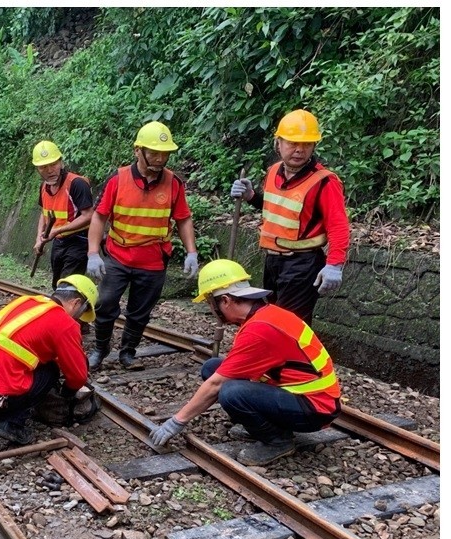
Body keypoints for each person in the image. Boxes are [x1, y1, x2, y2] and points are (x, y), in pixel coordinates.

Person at [149, 259, 342, 466]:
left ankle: (278, 441)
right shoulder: (268, 315)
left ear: (225, 301)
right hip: (302, 394)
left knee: (230, 392)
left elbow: (216, 384)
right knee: (212, 367)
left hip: (315, 408)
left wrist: (176, 422)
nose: (213, 311)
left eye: (211, 304)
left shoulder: (259, 330)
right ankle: (263, 426)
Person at [85, 121, 199, 370]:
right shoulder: (118, 179)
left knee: (140, 311)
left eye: (164, 153)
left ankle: (128, 352)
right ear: (138, 151)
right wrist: (93, 253)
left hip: (153, 259)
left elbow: (183, 218)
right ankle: (101, 349)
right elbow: (100, 216)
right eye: (154, 153)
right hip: (117, 255)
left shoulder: (174, 183)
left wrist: (192, 251)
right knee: (105, 302)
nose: (160, 159)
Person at [230, 109, 350, 326]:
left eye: (306, 144)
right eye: (292, 143)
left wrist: (335, 265)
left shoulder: (324, 181)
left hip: (303, 265)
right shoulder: (274, 170)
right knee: (281, 323)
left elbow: (339, 226)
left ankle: (295, 360)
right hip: (273, 262)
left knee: (288, 327)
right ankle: (290, 359)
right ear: (278, 143)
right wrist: (251, 196)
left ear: (314, 146)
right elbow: (275, 207)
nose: (299, 150)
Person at [0, 275, 97, 445]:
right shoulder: (64, 322)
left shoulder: (26, 301)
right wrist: (67, 392)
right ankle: (13, 424)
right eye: (82, 312)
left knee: (16, 362)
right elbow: (78, 376)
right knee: (50, 371)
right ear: (76, 303)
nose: (78, 319)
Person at [31, 140, 94, 290]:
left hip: (79, 240)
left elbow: (88, 216)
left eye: (53, 164)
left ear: (61, 162)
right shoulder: (44, 187)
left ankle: (68, 311)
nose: (49, 170)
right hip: (59, 242)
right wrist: (39, 237)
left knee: (67, 286)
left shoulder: (77, 184)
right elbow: (44, 213)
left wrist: (57, 230)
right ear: (38, 169)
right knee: (57, 284)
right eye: (43, 167)